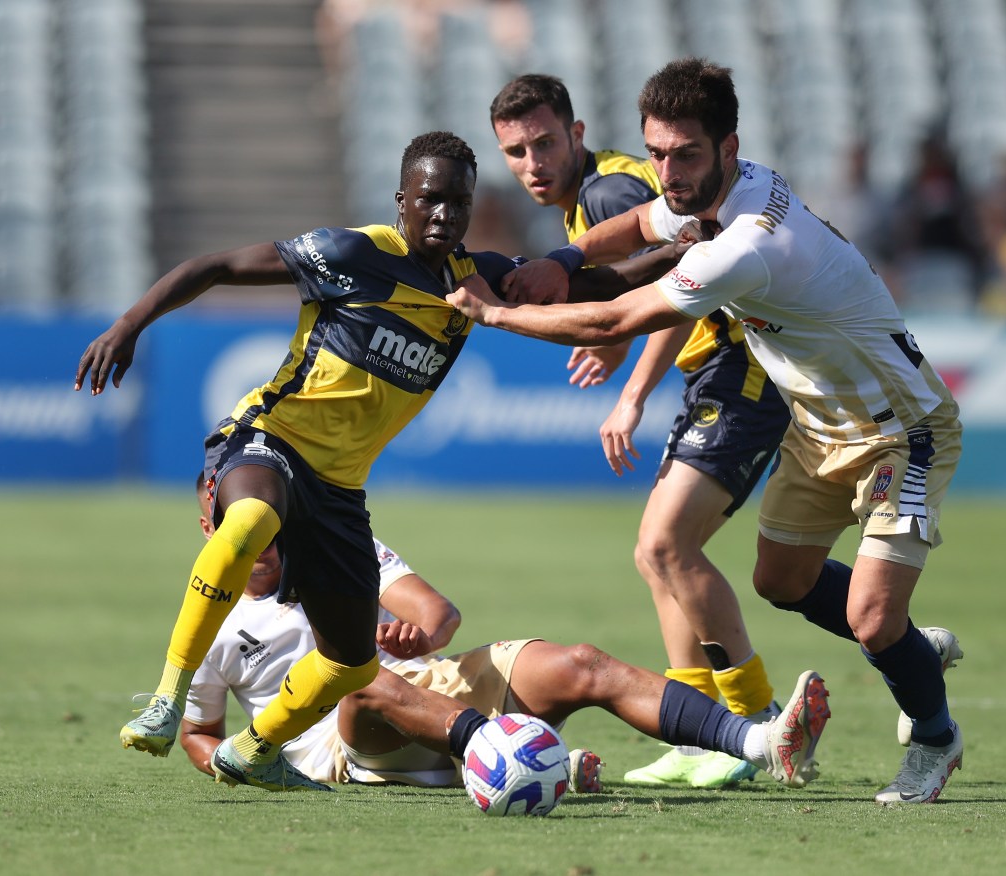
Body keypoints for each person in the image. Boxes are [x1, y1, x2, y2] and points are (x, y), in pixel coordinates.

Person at [75, 130, 732, 792]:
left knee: (351, 662)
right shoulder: (351, 253)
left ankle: (254, 747)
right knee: (246, 523)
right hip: (269, 437)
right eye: (431, 199)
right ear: (401, 201)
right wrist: (127, 326)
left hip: (337, 486)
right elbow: (216, 267)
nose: (445, 215)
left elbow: (593, 282)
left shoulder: (471, 283)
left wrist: (679, 254)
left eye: (459, 203)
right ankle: (166, 699)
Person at [450, 58, 967, 805]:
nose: (666, 170)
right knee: (777, 581)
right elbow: (637, 225)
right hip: (816, 427)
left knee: (867, 615)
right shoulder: (720, 187)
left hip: (901, 430)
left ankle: (932, 736)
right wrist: (564, 257)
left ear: (728, 147)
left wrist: (496, 314)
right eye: (656, 151)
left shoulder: (748, 241)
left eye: (684, 154)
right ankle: (905, 653)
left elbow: (615, 319)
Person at [489, 73, 793, 789]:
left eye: (543, 143)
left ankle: (756, 722)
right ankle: (697, 731)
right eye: (515, 151)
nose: (533, 163)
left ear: (576, 135)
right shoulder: (589, 204)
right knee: (659, 556)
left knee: (664, 546)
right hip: (713, 377)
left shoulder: (607, 193)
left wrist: (628, 391)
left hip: (737, 366)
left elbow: (686, 279)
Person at [178, 473, 832, 791]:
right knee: (354, 677)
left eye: (268, 524)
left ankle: (757, 740)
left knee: (581, 663)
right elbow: (197, 731)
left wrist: (421, 636)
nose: (262, 541)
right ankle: (507, 754)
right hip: (353, 745)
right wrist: (239, 764)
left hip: (428, 685)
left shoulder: (343, 551)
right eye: (243, 528)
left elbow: (438, 615)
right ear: (212, 531)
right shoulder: (208, 623)